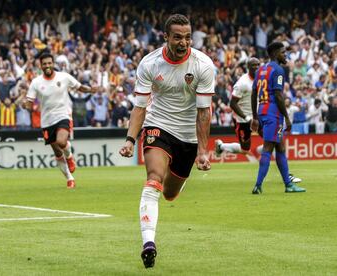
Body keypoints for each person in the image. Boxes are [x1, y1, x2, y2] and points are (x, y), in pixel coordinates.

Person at [119, 14, 214, 268]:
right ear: (166, 37)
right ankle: (148, 243)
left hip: (188, 136)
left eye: (187, 37)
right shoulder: (149, 63)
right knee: (153, 180)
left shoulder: (203, 64)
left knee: (170, 194)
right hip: (158, 125)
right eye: (177, 37)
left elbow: (204, 111)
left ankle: (178, 179)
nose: (183, 42)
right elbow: (140, 107)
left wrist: (203, 151)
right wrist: (130, 139)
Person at [215, 58, 302, 183]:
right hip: (243, 120)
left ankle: (286, 175)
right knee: (245, 149)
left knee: (277, 143)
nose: (256, 67)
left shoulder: (262, 79)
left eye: (258, 65)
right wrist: (247, 118)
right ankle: (221, 146)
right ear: (248, 67)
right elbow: (232, 104)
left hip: (259, 117)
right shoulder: (242, 83)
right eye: (253, 65)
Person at [26, 52, 96, 189]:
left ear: (53, 64)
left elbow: (79, 86)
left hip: (63, 115)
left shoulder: (63, 77)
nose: (47, 66)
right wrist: (26, 105)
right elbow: (29, 101)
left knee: (61, 141)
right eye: (44, 64)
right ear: (40, 66)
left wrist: (90, 90)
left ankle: (69, 156)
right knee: (57, 152)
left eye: (49, 63)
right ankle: (70, 178)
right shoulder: (36, 82)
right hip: (46, 121)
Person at [250, 42, 306, 194]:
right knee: (268, 147)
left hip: (262, 111)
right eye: (283, 52)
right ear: (275, 54)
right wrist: (287, 118)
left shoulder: (261, 70)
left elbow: (254, 93)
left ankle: (288, 184)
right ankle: (258, 185)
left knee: (280, 147)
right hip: (273, 113)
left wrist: (255, 117)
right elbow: (279, 96)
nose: (285, 54)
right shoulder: (278, 70)